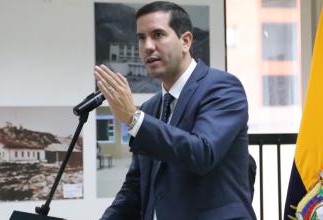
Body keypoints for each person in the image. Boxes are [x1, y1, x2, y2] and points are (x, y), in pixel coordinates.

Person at [94, 1, 256, 219]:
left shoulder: (222, 87)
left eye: (158, 35)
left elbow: (202, 153)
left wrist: (133, 118)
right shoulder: (151, 108)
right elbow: (135, 188)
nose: (147, 46)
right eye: (141, 38)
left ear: (186, 41)